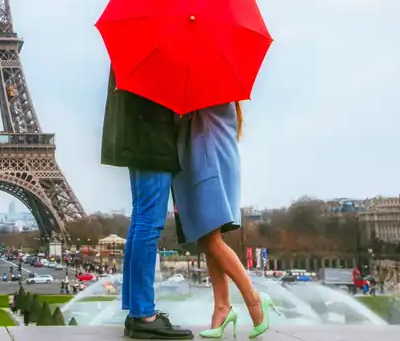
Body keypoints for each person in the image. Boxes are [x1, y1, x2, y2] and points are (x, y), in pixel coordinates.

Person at [172, 102, 278, 339]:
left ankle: (254, 299)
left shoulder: (207, 90)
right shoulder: (218, 90)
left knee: (210, 241)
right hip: (211, 161)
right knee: (207, 238)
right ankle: (222, 307)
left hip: (209, 165)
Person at [101, 68, 193, 339]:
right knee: (149, 224)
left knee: (141, 221)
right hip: (153, 140)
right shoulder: (161, 52)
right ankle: (143, 313)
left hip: (138, 138)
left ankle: (138, 311)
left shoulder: (136, 47)